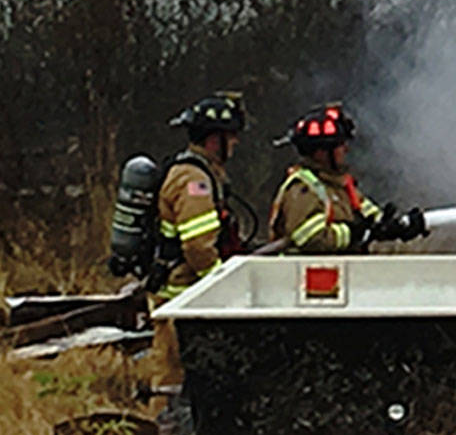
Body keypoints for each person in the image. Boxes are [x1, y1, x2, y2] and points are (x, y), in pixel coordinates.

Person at [269, 103, 427, 253]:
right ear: (321, 152)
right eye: (340, 144)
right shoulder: (303, 189)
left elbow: (372, 219)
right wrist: (354, 233)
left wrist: (399, 227)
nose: (346, 149)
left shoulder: (340, 186)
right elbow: (311, 238)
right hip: (304, 271)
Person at [153, 92, 247, 299]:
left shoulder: (203, 173)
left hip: (190, 294)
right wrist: (223, 284)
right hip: (182, 296)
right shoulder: (193, 179)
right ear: (214, 140)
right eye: (231, 135)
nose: (235, 141)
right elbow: (198, 247)